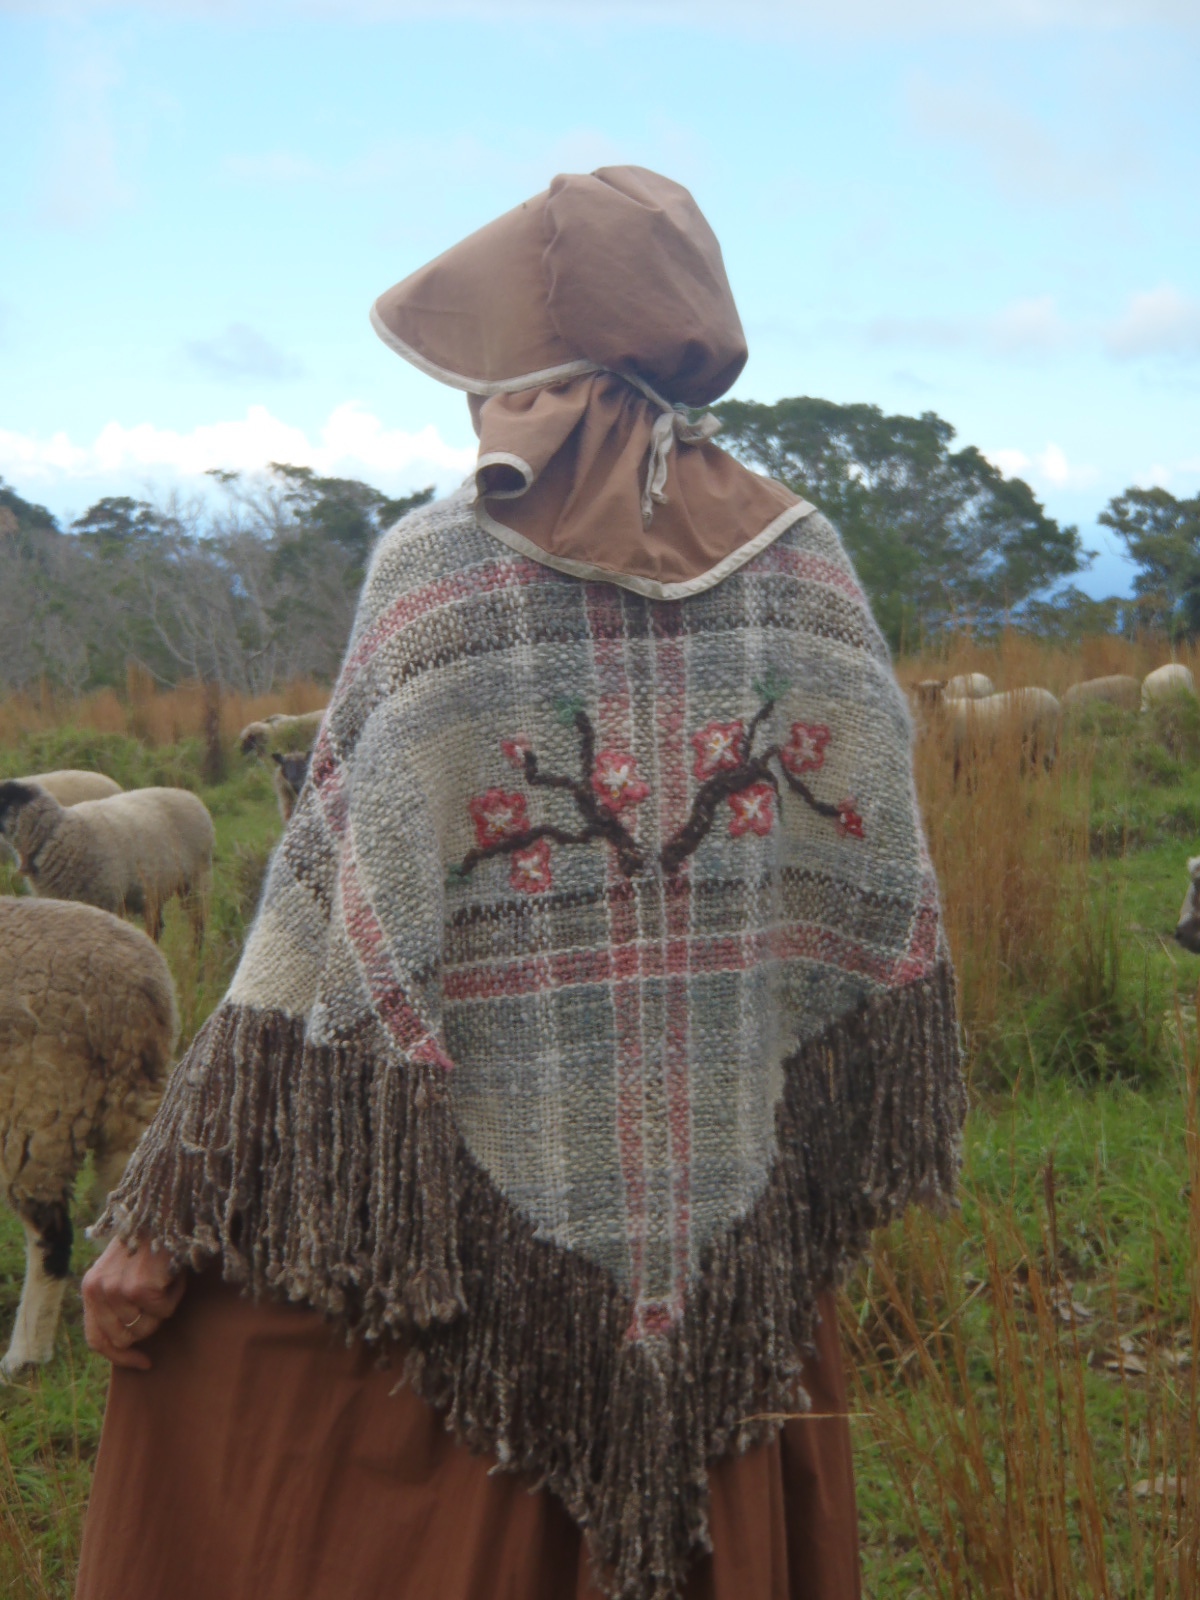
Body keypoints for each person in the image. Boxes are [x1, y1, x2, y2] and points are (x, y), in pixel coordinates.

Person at [76, 166, 963, 1600]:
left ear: (533, 377)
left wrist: (170, 1218)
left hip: (478, 1264)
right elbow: (870, 899)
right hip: (735, 1212)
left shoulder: (442, 575)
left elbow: (320, 932)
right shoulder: (810, 569)